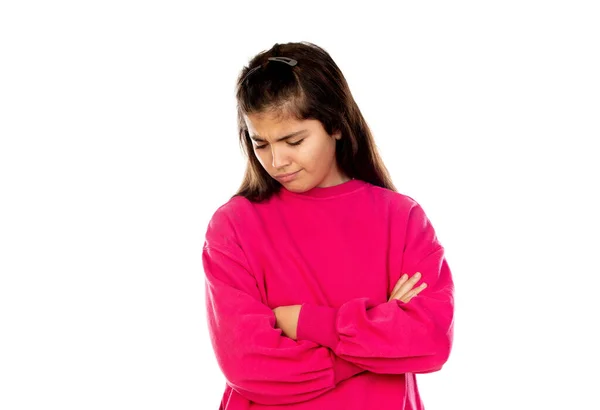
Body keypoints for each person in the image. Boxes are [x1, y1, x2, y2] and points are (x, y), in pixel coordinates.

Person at [202, 41, 455, 410]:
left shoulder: (400, 218)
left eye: (294, 140)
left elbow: (430, 341)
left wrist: (305, 322)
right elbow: (249, 367)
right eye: (261, 144)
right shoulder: (233, 226)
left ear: (335, 124)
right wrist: (376, 337)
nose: (277, 160)